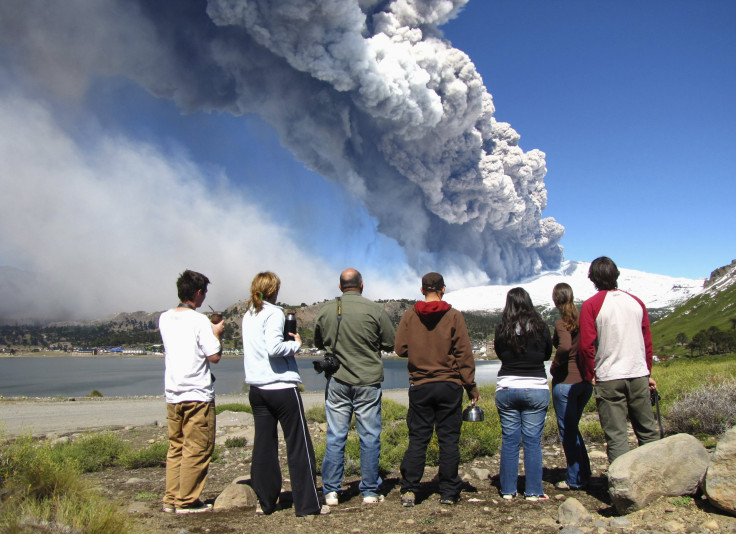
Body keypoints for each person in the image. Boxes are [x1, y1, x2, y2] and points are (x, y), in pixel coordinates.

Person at [242, 272, 329, 516]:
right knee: (298, 444)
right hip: (280, 387)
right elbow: (274, 348)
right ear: (273, 291)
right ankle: (308, 504)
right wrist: (296, 345)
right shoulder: (273, 313)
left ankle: (266, 502)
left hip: (257, 389)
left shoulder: (249, 314)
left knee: (263, 445)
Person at [394, 272, 479, 507]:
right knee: (449, 439)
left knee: (418, 438)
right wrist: (471, 386)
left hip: (420, 385)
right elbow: (464, 355)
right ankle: (449, 492)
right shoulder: (454, 316)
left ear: (422, 290)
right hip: (450, 386)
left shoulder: (410, 315)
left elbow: (400, 349)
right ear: (443, 289)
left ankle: (410, 490)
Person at [314, 268, 396, 505]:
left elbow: (319, 341)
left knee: (336, 435)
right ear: (362, 285)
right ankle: (370, 490)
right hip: (368, 381)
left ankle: (330, 490)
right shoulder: (375, 310)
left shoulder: (326, 309)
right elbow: (391, 342)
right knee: (369, 436)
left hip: (337, 380)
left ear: (340, 287)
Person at [579, 257, 660, 463]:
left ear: (593, 279)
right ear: (616, 275)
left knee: (616, 436)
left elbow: (586, 346)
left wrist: (590, 375)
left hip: (609, 377)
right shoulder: (636, 302)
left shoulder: (591, 306)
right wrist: (647, 372)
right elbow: (647, 341)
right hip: (638, 373)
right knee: (648, 431)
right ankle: (653, 478)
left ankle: (621, 485)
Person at [159, 269, 224, 514]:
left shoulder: (164, 318)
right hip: (197, 394)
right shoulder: (199, 321)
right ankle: (187, 500)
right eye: (204, 292)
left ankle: (171, 498)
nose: (205, 296)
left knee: (176, 446)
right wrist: (217, 333)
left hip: (173, 393)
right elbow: (214, 356)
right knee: (197, 448)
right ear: (197, 293)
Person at [493, 287, 553, 501]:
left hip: (507, 387)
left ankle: (508, 490)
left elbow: (500, 353)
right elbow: (547, 353)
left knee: (509, 440)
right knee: (532, 440)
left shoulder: (502, 328)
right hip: (536, 387)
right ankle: (534, 491)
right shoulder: (541, 327)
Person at [550, 283, 593, 490]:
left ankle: (574, 478)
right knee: (573, 428)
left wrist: (555, 365)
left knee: (567, 430)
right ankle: (584, 471)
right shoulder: (584, 320)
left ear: (555, 300)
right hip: (584, 382)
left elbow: (565, 346)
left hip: (566, 383)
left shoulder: (562, 323)